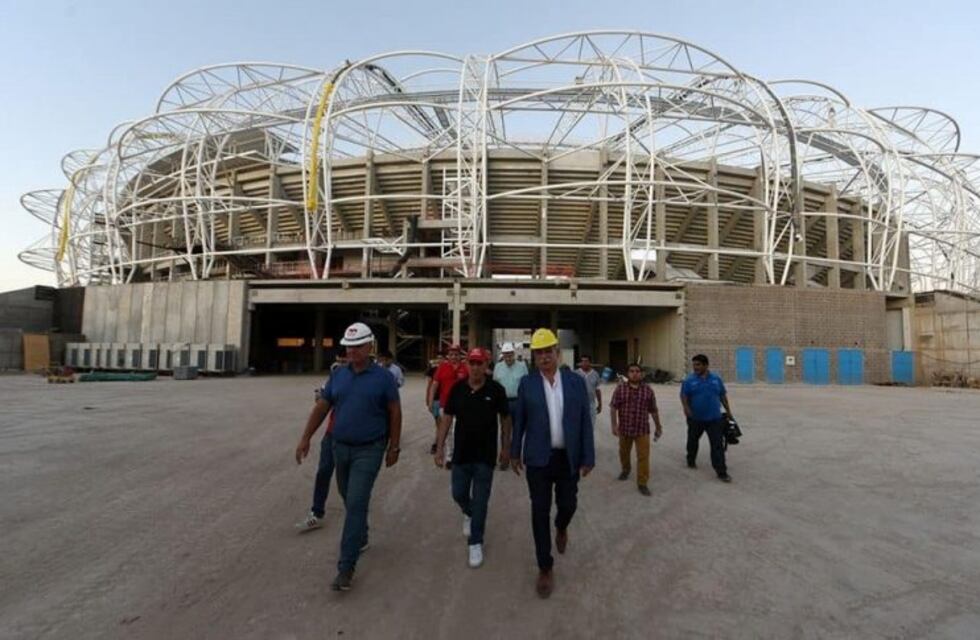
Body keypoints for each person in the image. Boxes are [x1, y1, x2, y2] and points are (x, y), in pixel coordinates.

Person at [294, 322, 402, 591]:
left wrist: (394, 446)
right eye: (348, 346)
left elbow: (395, 412)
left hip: (370, 448)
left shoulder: (384, 378)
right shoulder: (339, 375)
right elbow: (322, 407)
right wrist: (306, 437)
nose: (351, 351)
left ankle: (346, 567)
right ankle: (361, 534)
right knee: (346, 495)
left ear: (369, 347)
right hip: (339, 447)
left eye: (356, 347)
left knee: (355, 502)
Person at [510, 328, 595, 599]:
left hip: (567, 457)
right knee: (539, 512)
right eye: (539, 353)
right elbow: (519, 421)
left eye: (549, 351)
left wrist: (588, 455)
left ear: (557, 353)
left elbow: (585, 421)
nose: (544, 357)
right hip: (538, 459)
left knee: (568, 505)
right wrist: (514, 452)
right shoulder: (527, 384)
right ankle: (545, 567)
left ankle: (561, 526)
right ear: (533, 357)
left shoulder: (574, 382)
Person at [434, 347, 512, 568]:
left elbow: (506, 420)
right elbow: (447, 419)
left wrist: (506, 447)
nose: (476, 367)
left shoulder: (496, 390)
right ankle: (467, 512)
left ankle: (475, 541)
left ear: (487, 365)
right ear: (467, 365)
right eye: (472, 363)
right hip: (461, 455)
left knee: (481, 501)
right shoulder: (458, 390)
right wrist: (439, 448)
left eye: (480, 363)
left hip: (485, 457)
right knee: (458, 493)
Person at [610, 363, 663, 497]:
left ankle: (642, 482)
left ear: (642, 374)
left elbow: (653, 410)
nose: (635, 373)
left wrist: (658, 426)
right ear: (628, 374)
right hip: (625, 429)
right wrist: (614, 425)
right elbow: (613, 407)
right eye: (632, 371)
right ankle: (626, 470)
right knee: (624, 453)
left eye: (637, 371)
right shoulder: (620, 389)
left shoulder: (648, 390)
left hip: (642, 430)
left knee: (643, 457)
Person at [680, 354, 734, 483]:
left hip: (714, 419)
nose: (695, 367)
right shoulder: (689, 380)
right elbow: (684, 395)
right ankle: (691, 459)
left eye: (698, 365)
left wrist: (729, 411)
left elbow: (722, 395)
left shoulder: (716, 379)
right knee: (692, 441)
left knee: (717, 445)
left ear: (706, 365)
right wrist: (686, 409)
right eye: (694, 365)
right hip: (695, 418)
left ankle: (721, 472)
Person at [295, 403, 337, 531]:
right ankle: (317, 512)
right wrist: (305, 438)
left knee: (352, 482)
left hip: (360, 440)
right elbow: (321, 405)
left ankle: (357, 519)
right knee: (324, 471)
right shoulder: (335, 382)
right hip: (333, 433)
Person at [428, 345, 469, 468]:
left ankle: (460, 455)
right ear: (448, 356)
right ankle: (450, 457)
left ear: (460, 356)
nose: (454, 357)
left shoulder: (465, 368)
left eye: (456, 354)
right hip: (445, 405)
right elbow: (434, 385)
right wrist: (430, 401)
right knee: (448, 432)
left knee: (460, 431)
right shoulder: (442, 367)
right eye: (451, 354)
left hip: (462, 406)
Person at [492, 342, 528, 470]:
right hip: (504, 402)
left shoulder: (522, 366)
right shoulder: (498, 367)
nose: (508, 357)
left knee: (518, 430)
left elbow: (526, 386)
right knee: (505, 431)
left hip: (518, 402)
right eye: (506, 354)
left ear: (514, 354)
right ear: (503, 355)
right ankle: (505, 456)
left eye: (510, 354)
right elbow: (495, 386)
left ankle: (515, 455)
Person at [574, 355, 602, 428]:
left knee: (590, 426)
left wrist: (600, 404)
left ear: (590, 362)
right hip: (578, 404)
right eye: (582, 361)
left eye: (586, 361)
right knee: (579, 426)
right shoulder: (576, 373)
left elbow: (598, 390)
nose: (584, 363)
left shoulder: (595, 374)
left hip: (591, 404)